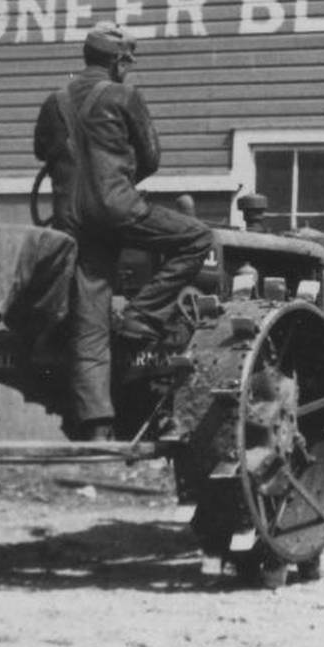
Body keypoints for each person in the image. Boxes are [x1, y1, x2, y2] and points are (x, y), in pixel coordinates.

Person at [33, 22, 213, 441]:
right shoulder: (125, 95)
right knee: (197, 238)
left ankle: (97, 426)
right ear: (117, 62)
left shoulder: (54, 101)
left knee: (90, 324)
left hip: (71, 221)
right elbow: (151, 156)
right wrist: (118, 173)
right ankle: (141, 317)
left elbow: (43, 151)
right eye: (125, 63)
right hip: (118, 208)